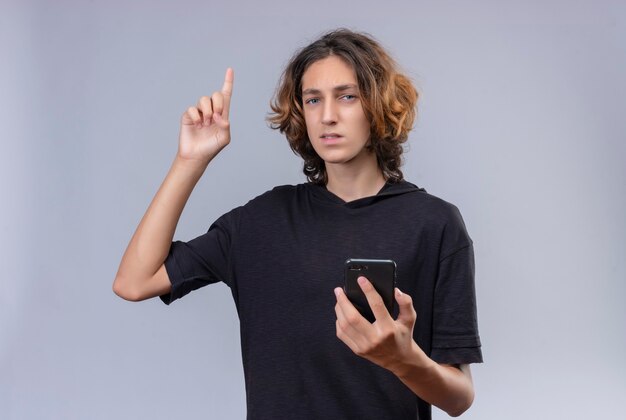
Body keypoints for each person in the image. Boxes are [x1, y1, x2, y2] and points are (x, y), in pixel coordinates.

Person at [113, 29, 482, 419]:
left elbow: (459, 399)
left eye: (347, 96)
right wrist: (190, 161)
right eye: (312, 99)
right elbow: (134, 282)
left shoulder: (434, 223)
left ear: (377, 104)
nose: (327, 116)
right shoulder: (262, 221)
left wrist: (403, 359)